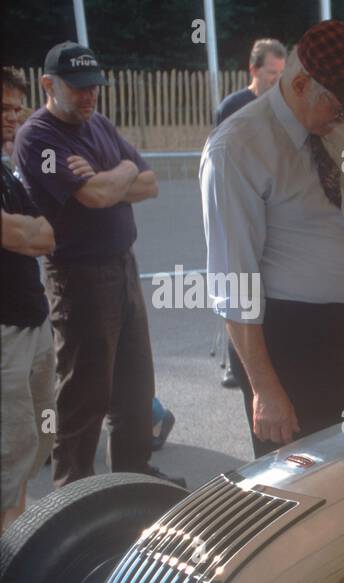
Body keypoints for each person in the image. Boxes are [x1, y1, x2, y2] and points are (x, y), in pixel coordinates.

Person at [200, 20, 344, 458]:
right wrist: (265, 387)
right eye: (338, 107)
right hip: (282, 340)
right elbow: (235, 281)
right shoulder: (237, 148)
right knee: (304, 489)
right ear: (302, 82)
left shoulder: (340, 130)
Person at [14, 42, 180, 488]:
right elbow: (95, 196)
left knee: (135, 388)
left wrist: (116, 172)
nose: (89, 96)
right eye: (79, 88)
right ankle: (75, 493)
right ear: (48, 84)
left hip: (122, 267)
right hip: (78, 277)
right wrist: (120, 173)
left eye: (95, 88)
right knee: (85, 396)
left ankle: (133, 479)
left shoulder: (99, 124)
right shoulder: (38, 137)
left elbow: (149, 183)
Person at [214, 37, 286, 389]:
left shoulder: (282, 108)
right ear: (253, 70)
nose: (276, 80)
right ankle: (235, 362)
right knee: (239, 287)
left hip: (272, 211)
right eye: (271, 73)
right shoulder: (234, 107)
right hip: (241, 208)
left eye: (281, 74)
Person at [1, 67, 56, 532]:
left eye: (16, 109)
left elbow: (45, 236)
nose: (12, 119)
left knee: (38, 438)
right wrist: (21, 231)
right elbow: (19, 231)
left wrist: (20, 231)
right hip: (4, 336)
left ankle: (14, 535)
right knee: (7, 451)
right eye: (2, 109)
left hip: (34, 326)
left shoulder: (7, 169)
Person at [215, 38, 286, 125]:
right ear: (254, 70)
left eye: (282, 72)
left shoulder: (287, 109)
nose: (278, 79)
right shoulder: (232, 108)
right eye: (272, 72)